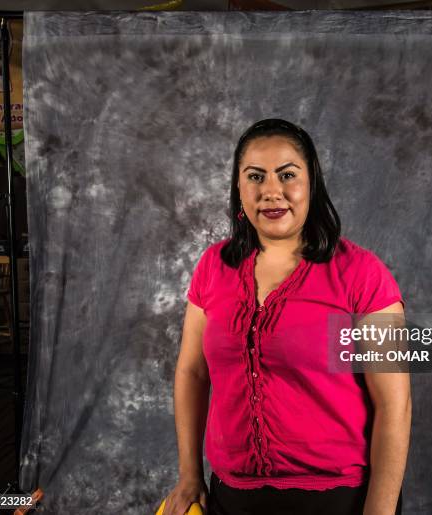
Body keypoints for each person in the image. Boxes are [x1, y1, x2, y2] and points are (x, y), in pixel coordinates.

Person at [163, 119, 411, 515]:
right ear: (238, 187)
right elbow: (191, 373)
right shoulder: (213, 267)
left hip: (337, 499)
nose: (271, 191)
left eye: (287, 175)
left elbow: (394, 406)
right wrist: (189, 473)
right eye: (255, 176)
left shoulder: (363, 274)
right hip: (232, 497)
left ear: (311, 183)